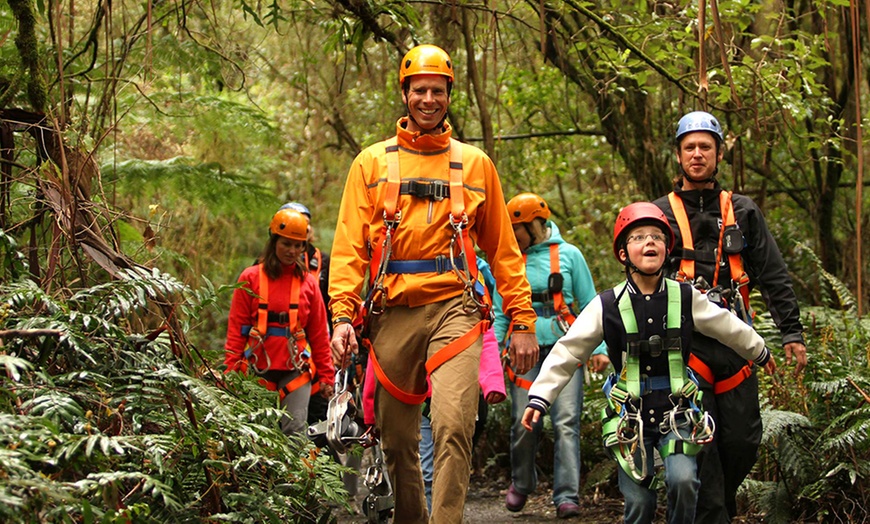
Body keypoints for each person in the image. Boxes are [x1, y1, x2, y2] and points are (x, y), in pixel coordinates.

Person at [328, 44, 538, 523]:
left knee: (453, 425)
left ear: (449, 95)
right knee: (398, 439)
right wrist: (342, 316)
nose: (428, 99)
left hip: (455, 308)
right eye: (419, 90)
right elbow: (347, 250)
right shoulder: (371, 164)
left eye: (437, 91)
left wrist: (522, 321)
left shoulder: (476, 164)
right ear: (405, 94)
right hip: (392, 312)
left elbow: (504, 251)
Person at [521, 202, 777, 524]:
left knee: (684, 481)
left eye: (656, 237)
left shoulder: (685, 297)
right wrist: (540, 397)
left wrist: (759, 351)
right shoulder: (607, 305)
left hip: (678, 413)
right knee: (639, 501)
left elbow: (726, 326)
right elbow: (569, 351)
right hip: (630, 420)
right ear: (624, 254)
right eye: (638, 237)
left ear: (666, 249)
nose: (649, 242)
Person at [652, 111, 808, 523]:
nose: (698, 154)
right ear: (678, 155)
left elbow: (773, 273)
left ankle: (719, 504)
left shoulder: (743, 211)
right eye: (690, 147)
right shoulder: (657, 214)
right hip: (685, 346)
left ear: (719, 153)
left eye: (706, 147)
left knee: (742, 441)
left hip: (736, 341)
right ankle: (713, 513)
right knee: (702, 445)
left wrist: (791, 332)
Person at [495, 192, 610, 519]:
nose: (511, 235)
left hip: (565, 348)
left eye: (515, 228)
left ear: (533, 225)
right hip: (522, 352)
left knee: (565, 422)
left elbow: (591, 305)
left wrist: (599, 349)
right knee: (523, 423)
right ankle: (522, 481)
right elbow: (500, 312)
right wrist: (491, 356)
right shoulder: (507, 259)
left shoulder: (570, 256)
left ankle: (567, 495)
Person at [224, 208, 335, 436]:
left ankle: (297, 473)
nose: (292, 251)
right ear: (274, 242)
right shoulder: (250, 278)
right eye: (286, 244)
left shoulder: (308, 284)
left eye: (298, 245)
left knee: (295, 432)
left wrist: (326, 376)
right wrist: (230, 370)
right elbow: (236, 329)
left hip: (295, 369)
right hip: (258, 366)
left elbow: (319, 335)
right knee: (259, 434)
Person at [419, 258, 507, 513]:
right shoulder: (411, 290)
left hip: (460, 394)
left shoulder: (472, 295)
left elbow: (486, 338)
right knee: (426, 467)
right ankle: (426, 512)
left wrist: (492, 383)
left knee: (452, 450)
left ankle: (443, 512)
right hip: (423, 397)